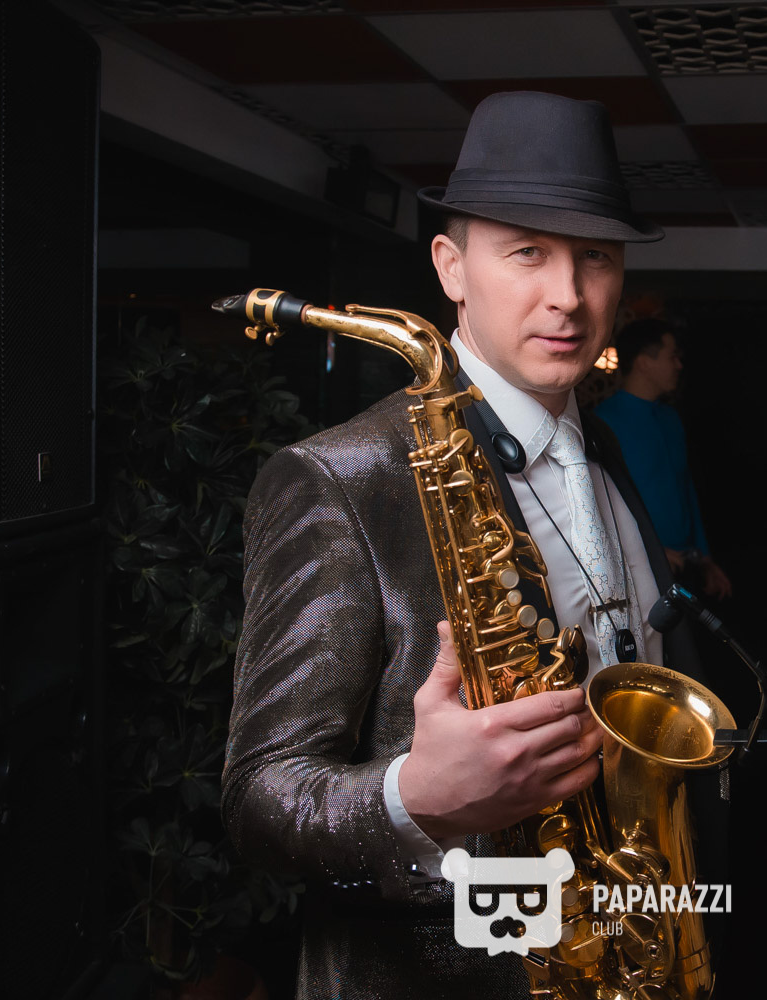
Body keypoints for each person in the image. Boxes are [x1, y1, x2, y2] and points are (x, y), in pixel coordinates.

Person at [220, 92, 724, 999]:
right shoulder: (337, 478)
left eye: (596, 258)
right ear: (451, 268)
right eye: (527, 251)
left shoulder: (603, 445)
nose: (568, 296)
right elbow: (260, 801)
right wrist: (414, 798)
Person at [593, 317, 731, 599]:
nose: (679, 366)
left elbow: (686, 488)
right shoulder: (602, 422)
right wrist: (644, 549)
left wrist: (705, 558)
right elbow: (598, 503)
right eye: (672, 357)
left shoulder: (671, 418)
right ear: (644, 363)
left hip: (687, 564)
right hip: (639, 568)